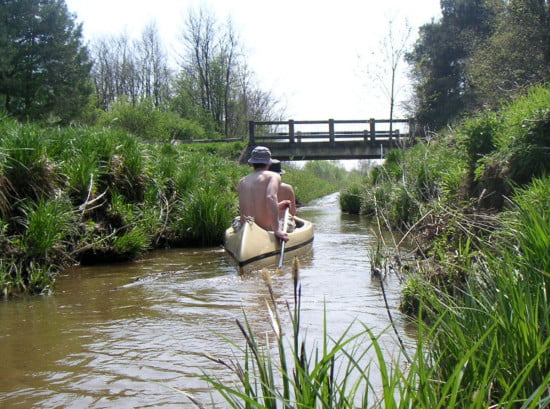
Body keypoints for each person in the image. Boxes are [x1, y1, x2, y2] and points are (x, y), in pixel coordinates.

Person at [237, 146, 289, 242]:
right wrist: (277, 230)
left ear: (252, 163)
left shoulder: (242, 181)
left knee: (236, 219)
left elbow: (250, 206)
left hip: (246, 227)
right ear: (269, 163)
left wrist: (277, 206)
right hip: (265, 228)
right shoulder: (273, 176)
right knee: (288, 221)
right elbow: (270, 197)